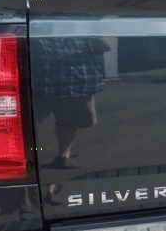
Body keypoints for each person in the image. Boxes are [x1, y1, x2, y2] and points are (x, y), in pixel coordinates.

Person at [33, 36, 111, 169]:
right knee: (22, 126)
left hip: (74, 84)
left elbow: (105, 46)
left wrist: (91, 31)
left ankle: (63, 157)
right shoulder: (38, 24)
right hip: (42, 84)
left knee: (69, 122)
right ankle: (17, 158)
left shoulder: (82, 26)